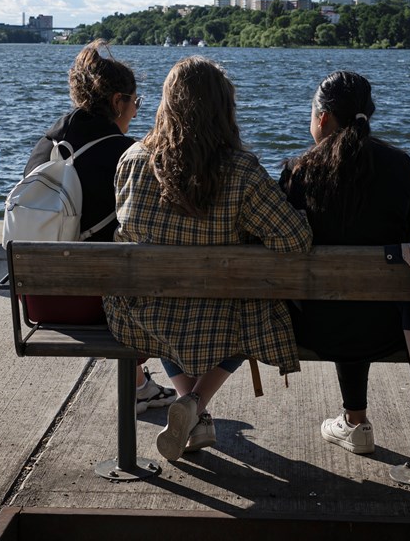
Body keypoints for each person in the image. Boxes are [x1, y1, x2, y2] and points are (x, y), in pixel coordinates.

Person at [102, 56, 313, 462]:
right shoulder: (242, 170)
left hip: (139, 314)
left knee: (164, 300)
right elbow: (295, 239)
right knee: (251, 310)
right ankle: (195, 403)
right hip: (218, 316)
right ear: (223, 108)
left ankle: (192, 411)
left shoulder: (130, 161)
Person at [20, 39, 176, 415]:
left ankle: (140, 386)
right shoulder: (125, 154)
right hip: (95, 305)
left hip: (38, 299)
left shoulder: (47, 144)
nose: (136, 113)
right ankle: (190, 399)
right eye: (136, 103)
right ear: (118, 101)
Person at [280, 71, 410, 454]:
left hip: (310, 327)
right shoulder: (401, 165)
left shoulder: (298, 171)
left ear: (322, 118)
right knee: (362, 301)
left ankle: (355, 422)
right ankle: (355, 420)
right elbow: (407, 240)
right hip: (386, 327)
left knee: (339, 301)